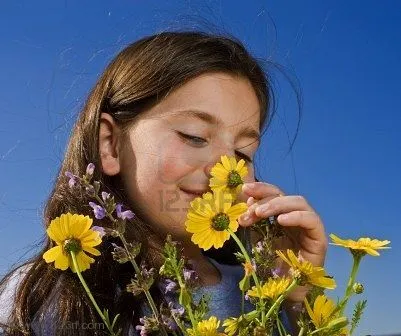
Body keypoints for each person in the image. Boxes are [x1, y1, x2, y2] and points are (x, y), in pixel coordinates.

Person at [0, 31, 327, 336]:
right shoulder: (40, 298)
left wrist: (296, 296)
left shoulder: (260, 298)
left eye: (243, 153)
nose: (221, 171)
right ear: (110, 144)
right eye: (194, 137)